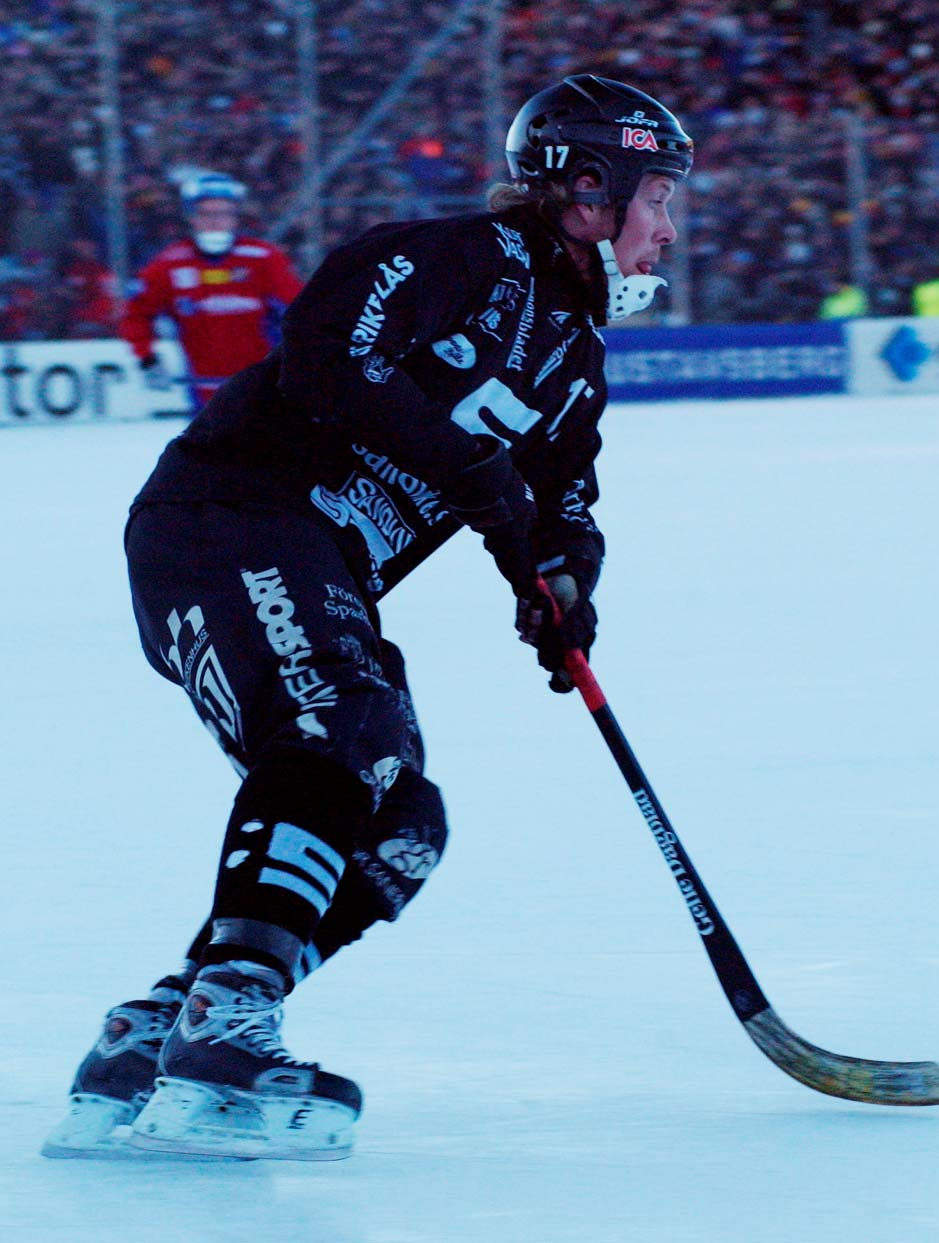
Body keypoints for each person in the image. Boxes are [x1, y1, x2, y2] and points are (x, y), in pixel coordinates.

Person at [43, 75, 693, 1162]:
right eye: (658, 198)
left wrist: (564, 586)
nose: (668, 228)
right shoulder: (461, 261)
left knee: (399, 824)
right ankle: (228, 1034)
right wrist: (473, 469)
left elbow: (562, 504)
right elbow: (325, 355)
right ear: (587, 190)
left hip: (312, 562)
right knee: (340, 729)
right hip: (231, 520)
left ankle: (157, 1032)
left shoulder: (576, 364)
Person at [119, 172, 303, 409]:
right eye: (206, 213)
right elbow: (136, 314)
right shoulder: (170, 264)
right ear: (191, 217)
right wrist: (147, 358)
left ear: (236, 217)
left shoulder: (263, 258)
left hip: (262, 388)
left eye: (224, 213)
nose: (215, 221)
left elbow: (301, 309)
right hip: (204, 393)